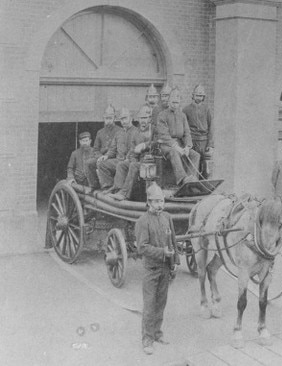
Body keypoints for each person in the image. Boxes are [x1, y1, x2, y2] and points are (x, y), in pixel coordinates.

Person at [136, 182, 178, 355]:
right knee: (149, 305)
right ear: (149, 203)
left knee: (161, 303)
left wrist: (174, 261)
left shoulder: (167, 217)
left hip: (165, 268)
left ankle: (157, 333)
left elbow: (173, 241)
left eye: (162, 201)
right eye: (156, 202)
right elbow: (142, 247)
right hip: (151, 270)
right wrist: (163, 252)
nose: (160, 205)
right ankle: (147, 339)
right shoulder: (142, 221)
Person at [155, 88, 200, 186]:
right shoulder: (162, 115)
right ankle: (182, 179)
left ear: (180, 102)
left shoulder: (182, 116)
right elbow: (163, 135)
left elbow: (187, 133)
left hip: (181, 144)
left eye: (177, 102)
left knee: (195, 155)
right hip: (166, 145)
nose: (175, 104)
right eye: (173, 102)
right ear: (169, 101)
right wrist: (176, 147)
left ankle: (190, 180)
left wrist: (187, 147)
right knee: (174, 151)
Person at [110, 106, 153, 201]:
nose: (143, 121)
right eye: (141, 118)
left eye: (145, 118)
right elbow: (133, 151)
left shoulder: (154, 131)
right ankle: (119, 190)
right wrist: (131, 159)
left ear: (150, 118)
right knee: (122, 165)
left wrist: (145, 145)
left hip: (153, 162)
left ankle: (124, 194)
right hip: (140, 162)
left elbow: (158, 142)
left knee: (133, 165)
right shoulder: (137, 133)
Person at [98, 107, 135, 193]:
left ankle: (119, 190)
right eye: (121, 119)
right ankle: (108, 187)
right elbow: (113, 149)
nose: (124, 121)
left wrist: (128, 158)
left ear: (131, 118)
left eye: (125, 118)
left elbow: (135, 149)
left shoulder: (136, 132)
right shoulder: (118, 133)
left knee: (121, 165)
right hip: (118, 160)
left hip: (130, 162)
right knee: (102, 164)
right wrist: (106, 156)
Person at [85, 105, 120, 189]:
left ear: (114, 118)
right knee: (89, 163)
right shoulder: (100, 132)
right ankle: (94, 186)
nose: (108, 121)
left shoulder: (119, 131)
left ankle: (108, 187)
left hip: (114, 158)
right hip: (102, 158)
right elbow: (96, 149)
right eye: (106, 118)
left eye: (110, 118)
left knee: (103, 164)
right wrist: (100, 157)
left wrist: (107, 156)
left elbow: (119, 149)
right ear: (104, 118)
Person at [183, 84, 214, 179]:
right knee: (193, 165)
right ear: (193, 96)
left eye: (201, 96)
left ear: (203, 97)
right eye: (197, 95)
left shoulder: (207, 109)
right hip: (192, 141)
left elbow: (211, 126)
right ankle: (192, 184)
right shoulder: (186, 109)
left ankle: (204, 186)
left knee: (205, 167)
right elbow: (184, 128)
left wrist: (210, 145)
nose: (199, 98)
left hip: (204, 142)